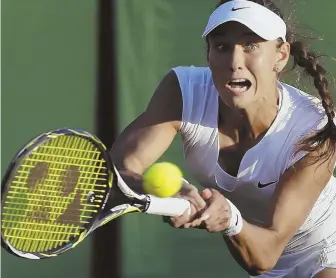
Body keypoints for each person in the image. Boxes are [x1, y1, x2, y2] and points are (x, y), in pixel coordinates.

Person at [110, 0, 336, 277]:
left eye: (250, 46)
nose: (234, 62)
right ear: (208, 54)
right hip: (260, 249)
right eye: (222, 46)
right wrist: (170, 192)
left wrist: (231, 219)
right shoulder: (184, 91)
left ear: (280, 55)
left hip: (325, 245)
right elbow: (118, 172)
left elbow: (263, 255)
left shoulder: (313, 126)